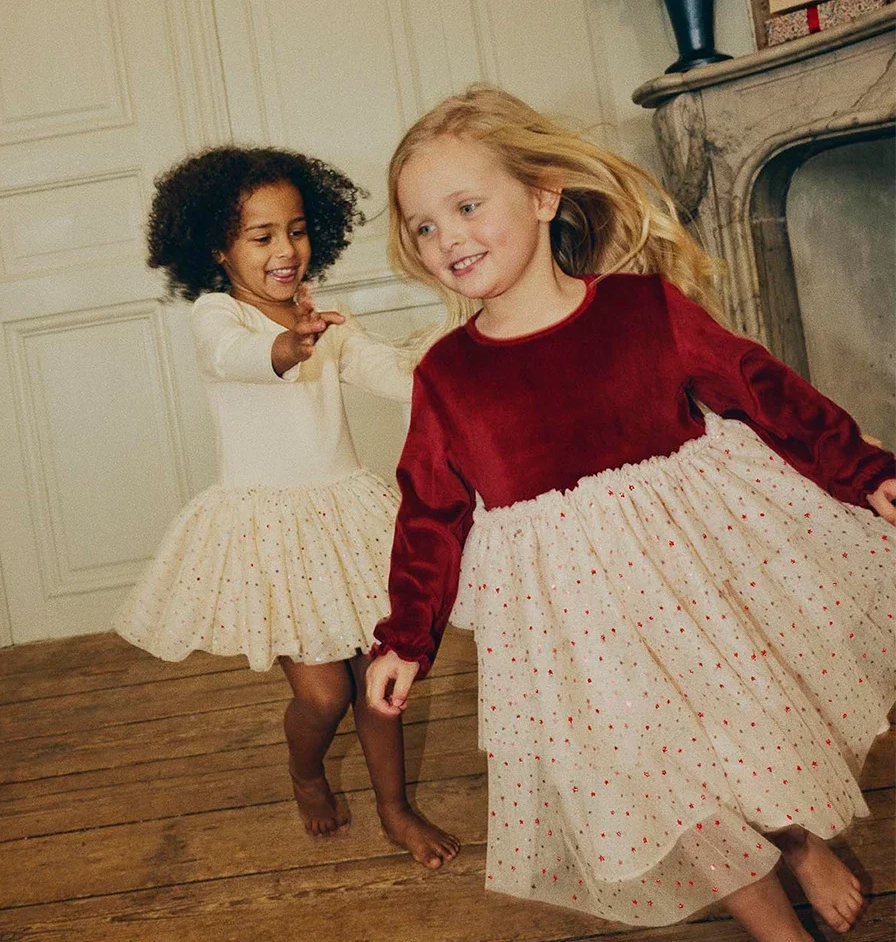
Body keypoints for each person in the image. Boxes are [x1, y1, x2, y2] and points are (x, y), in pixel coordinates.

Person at [366, 86, 895, 938]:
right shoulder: (448, 377)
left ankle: (801, 843)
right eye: (424, 226)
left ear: (542, 196)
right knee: (674, 782)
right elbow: (430, 510)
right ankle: (777, 928)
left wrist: (860, 468)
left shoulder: (642, 309)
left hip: (698, 578)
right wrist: (406, 636)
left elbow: (763, 391)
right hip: (580, 626)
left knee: (751, 737)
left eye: (467, 207)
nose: (448, 239)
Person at [115, 145, 459, 868]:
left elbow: (397, 379)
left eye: (297, 230)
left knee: (380, 678)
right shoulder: (218, 316)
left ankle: (395, 808)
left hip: (347, 519)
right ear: (217, 246)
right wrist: (289, 343)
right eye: (261, 235)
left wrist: (454, 352)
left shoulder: (326, 321)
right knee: (326, 694)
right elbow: (241, 359)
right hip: (270, 531)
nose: (286, 250)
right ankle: (307, 772)